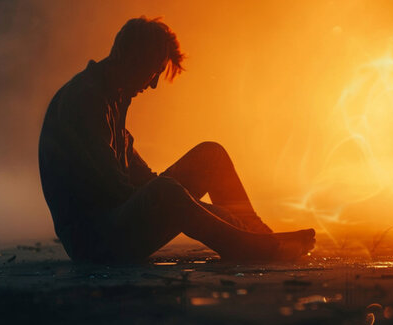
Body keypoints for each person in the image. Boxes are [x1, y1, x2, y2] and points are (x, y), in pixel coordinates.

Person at [38, 17, 315, 264]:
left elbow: (142, 179)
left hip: (117, 221)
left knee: (211, 156)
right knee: (167, 192)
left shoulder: (112, 99)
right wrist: (212, 213)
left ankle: (257, 234)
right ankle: (245, 245)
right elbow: (116, 191)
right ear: (131, 57)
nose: (154, 83)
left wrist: (208, 211)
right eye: (154, 70)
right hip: (96, 241)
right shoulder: (86, 100)